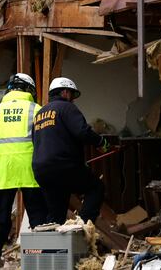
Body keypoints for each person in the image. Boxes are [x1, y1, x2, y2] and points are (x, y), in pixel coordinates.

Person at [0, 73, 47, 267]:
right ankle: (39, 259)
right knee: (37, 213)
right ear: (29, 90)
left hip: (3, 171)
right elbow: (47, 139)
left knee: (2, 213)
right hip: (30, 170)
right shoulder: (36, 109)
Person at [32, 78, 109, 225]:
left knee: (56, 215)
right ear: (65, 92)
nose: (73, 100)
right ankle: (83, 226)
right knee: (96, 188)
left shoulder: (40, 114)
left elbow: (35, 141)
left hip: (41, 171)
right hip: (63, 167)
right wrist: (101, 142)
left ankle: (54, 238)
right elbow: (82, 131)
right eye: (72, 95)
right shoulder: (67, 108)